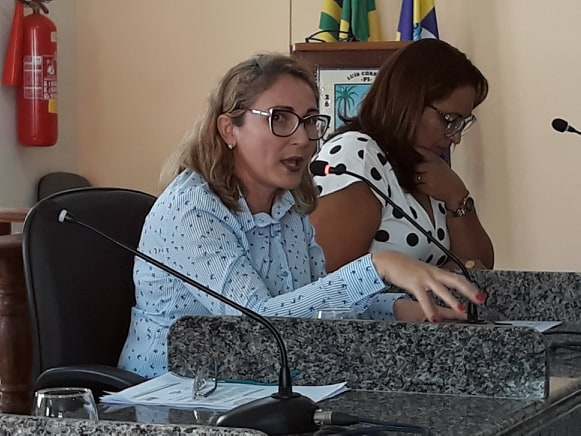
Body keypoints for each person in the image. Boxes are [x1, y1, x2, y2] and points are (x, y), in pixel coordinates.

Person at [118, 53, 485, 378]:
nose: (302, 138)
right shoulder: (193, 210)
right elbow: (258, 322)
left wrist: (405, 311)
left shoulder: (288, 203)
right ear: (229, 129)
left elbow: (311, 305)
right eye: (279, 119)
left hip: (248, 381)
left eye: (310, 121)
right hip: (168, 396)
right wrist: (376, 266)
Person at [310, 39, 494, 274]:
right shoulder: (358, 156)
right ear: (408, 102)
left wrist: (457, 197)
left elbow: (480, 270)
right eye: (450, 120)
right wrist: (429, 278)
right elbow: (327, 279)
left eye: (461, 123)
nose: (456, 137)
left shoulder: (431, 169)